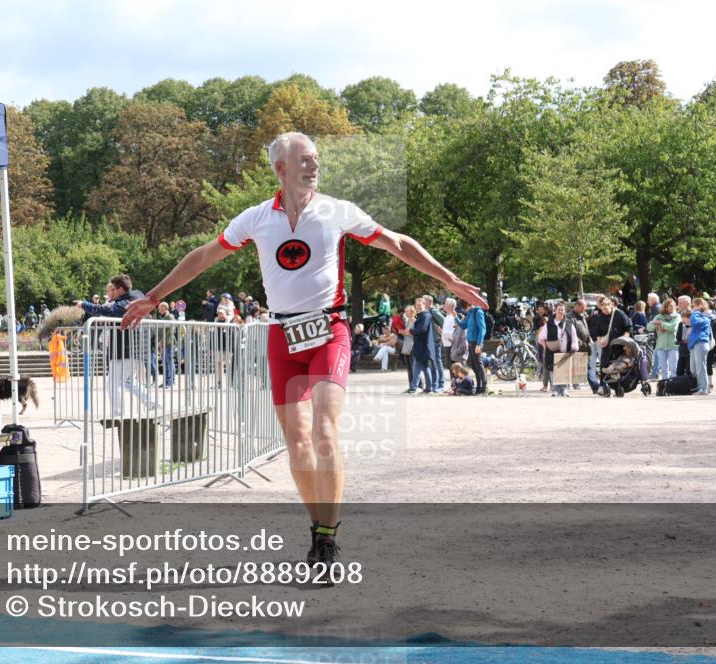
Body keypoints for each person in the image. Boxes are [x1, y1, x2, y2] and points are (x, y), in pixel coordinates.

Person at [120, 131, 486, 566]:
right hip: (283, 336)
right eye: (305, 160)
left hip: (329, 331)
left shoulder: (336, 211)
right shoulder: (257, 218)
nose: (314, 166)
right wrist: (154, 296)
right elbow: (203, 256)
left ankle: (328, 540)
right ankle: (319, 529)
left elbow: (398, 243)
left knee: (325, 434)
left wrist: (447, 279)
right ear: (281, 169)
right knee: (297, 443)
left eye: (316, 159)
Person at [76, 275, 153, 416]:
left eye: (114, 289)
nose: (112, 292)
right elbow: (116, 314)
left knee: (113, 384)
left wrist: (84, 304)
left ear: (121, 289)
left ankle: (118, 415)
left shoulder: (127, 302)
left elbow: (111, 311)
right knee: (130, 382)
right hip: (133, 348)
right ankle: (154, 405)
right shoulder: (137, 295)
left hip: (124, 349)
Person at [590, 296, 632, 394]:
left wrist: (624, 340)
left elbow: (628, 328)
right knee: (604, 365)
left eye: (606, 309)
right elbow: (598, 333)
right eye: (602, 309)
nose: (604, 311)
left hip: (619, 346)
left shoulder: (620, 314)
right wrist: (600, 341)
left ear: (610, 305)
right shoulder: (600, 317)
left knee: (618, 367)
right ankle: (602, 386)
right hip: (607, 347)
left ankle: (618, 387)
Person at [536, 301, 580, 396]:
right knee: (553, 370)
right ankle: (555, 389)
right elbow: (541, 337)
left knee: (564, 370)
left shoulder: (569, 323)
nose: (561, 311)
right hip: (552, 352)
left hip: (565, 351)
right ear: (555, 311)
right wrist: (546, 348)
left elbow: (574, 336)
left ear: (565, 311)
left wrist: (574, 347)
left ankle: (564, 389)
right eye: (559, 310)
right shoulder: (549, 324)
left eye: (562, 310)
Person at [647, 298, 680, 381]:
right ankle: (666, 386)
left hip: (673, 345)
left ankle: (674, 385)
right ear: (665, 307)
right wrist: (657, 325)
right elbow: (649, 327)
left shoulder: (677, 316)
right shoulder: (658, 316)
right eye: (671, 306)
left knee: (673, 368)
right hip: (661, 346)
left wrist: (660, 323)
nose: (673, 307)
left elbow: (673, 328)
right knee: (664, 369)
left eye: (674, 306)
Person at [461, 299, 488, 396]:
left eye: (466, 308)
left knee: (479, 365)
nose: (466, 310)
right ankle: (479, 387)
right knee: (473, 364)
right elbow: (464, 326)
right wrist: (456, 318)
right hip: (471, 342)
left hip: (476, 342)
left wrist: (479, 344)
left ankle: (484, 388)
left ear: (470, 304)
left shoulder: (478, 312)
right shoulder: (470, 313)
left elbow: (482, 329)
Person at [686, 298, 713, 395]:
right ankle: (700, 386)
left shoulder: (706, 316)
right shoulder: (701, 315)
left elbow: (695, 322)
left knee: (701, 367)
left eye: (694, 306)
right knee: (693, 368)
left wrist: (695, 312)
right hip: (695, 344)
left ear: (700, 305)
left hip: (701, 343)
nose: (692, 308)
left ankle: (704, 388)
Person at [409, 298, 435, 394]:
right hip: (421, 345)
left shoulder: (425, 315)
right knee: (425, 367)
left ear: (424, 305)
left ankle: (413, 388)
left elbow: (422, 329)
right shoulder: (422, 315)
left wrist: (411, 331)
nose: (418, 306)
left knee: (416, 367)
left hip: (423, 346)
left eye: (420, 304)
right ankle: (429, 388)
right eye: (417, 304)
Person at [423, 294, 445, 393]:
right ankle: (433, 385)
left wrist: (441, 333)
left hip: (435, 341)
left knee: (437, 363)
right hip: (428, 342)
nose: (422, 303)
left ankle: (440, 385)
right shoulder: (425, 312)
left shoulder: (433, 311)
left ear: (429, 302)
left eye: (424, 301)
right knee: (432, 363)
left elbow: (444, 322)